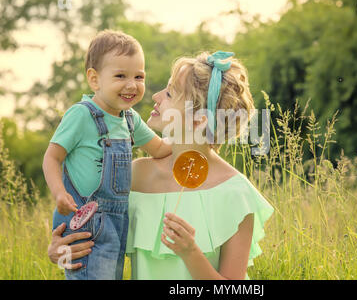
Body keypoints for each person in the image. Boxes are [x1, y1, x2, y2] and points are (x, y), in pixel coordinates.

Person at [48, 51, 273, 280]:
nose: (155, 96)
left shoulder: (236, 194)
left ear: (199, 119)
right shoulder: (136, 175)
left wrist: (190, 253)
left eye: (169, 93)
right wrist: (62, 250)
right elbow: (85, 223)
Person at [42, 30, 172, 280]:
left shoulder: (131, 119)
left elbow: (161, 149)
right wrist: (59, 192)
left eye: (139, 76)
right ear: (94, 79)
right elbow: (52, 157)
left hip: (116, 224)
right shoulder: (81, 115)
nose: (132, 84)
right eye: (120, 76)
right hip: (86, 225)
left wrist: (197, 134)